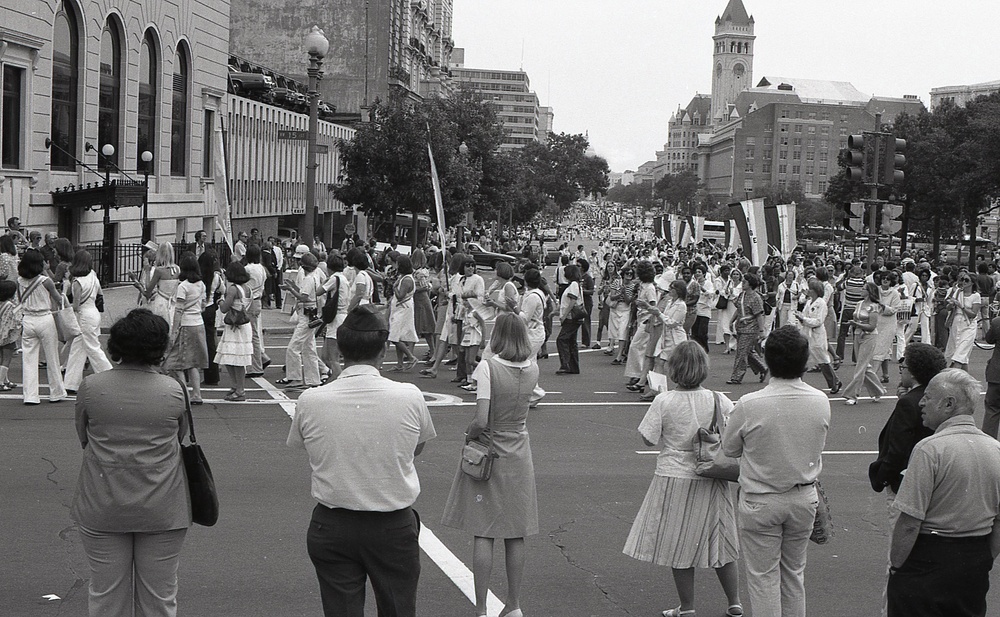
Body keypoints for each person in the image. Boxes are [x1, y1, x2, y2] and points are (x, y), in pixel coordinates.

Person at [287, 305, 436, 617]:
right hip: (392, 524)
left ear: (341, 350)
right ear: (383, 351)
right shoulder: (409, 395)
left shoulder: (311, 400)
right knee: (398, 608)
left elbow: (305, 447)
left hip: (333, 522)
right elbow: (416, 449)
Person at [70, 308, 191, 617]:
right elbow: (179, 440)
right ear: (159, 349)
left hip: (102, 503)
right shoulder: (174, 391)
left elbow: (84, 438)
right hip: (163, 506)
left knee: (106, 596)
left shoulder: (91, 387)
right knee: (160, 599)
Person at [623, 341, 743, 617]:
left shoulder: (664, 400)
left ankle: (687, 607)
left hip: (674, 474)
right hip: (713, 473)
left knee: (680, 543)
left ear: (673, 369)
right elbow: (736, 431)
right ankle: (734, 601)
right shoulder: (717, 398)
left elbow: (648, 438)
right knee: (721, 541)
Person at [722, 325, 829, 617]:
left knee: (763, 578)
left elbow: (729, 449)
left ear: (767, 360)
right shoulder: (820, 400)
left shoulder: (750, 404)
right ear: (805, 361)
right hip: (803, 496)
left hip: (761, 498)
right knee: (793, 575)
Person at [441, 314, 540, 617]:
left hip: (491, 450)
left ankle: (482, 608)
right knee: (515, 531)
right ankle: (513, 604)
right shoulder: (533, 368)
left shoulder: (489, 367)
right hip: (519, 450)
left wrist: (468, 434)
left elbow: (481, 418)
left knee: (483, 530)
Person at [887, 369, 1000, 617]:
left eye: (928, 396)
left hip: (928, 557)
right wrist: (982, 559)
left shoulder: (930, 450)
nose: (921, 402)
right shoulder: (996, 449)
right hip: (974, 559)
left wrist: (896, 568)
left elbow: (909, 523)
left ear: (949, 404)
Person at [17, 249, 67, 404]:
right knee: (52, 357)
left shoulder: (19, 281)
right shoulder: (45, 281)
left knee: (29, 359)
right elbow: (59, 300)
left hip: (28, 319)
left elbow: (19, 300)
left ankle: (30, 395)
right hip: (45, 318)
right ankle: (56, 392)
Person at [63, 250, 113, 393]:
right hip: (94, 313)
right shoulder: (93, 276)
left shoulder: (78, 282)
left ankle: (108, 375)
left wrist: (65, 293)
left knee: (92, 347)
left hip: (84, 315)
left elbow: (76, 306)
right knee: (78, 349)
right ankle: (71, 383)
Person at [162, 254, 209, 405]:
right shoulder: (201, 284)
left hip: (186, 325)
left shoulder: (183, 287)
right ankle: (197, 394)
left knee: (177, 363)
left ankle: (184, 395)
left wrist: (173, 331)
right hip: (198, 324)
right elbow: (203, 305)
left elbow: (179, 310)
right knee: (193, 362)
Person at [279, 251, 324, 389]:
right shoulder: (313, 278)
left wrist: (290, 290)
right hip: (311, 312)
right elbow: (306, 293)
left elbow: (303, 297)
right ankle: (313, 379)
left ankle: (295, 377)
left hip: (306, 314)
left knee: (293, 348)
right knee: (309, 348)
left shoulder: (309, 279)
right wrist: (293, 287)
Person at [842, 282, 888, 405]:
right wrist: (854, 325)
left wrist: (856, 324)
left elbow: (872, 326)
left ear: (869, 292)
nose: (861, 291)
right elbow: (856, 318)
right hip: (857, 334)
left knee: (861, 366)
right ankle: (878, 390)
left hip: (869, 336)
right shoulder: (859, 304)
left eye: (864, 289)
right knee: (864, 366)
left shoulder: (873, 307)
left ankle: (852, 394)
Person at [215, 261, 253, 401]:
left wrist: (219, 301)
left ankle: (239, 389)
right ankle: (237, 386)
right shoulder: (248, 288)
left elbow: (224, 308)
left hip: (234, 325)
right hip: (243, 326)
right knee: (234, 358)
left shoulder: (233, 289)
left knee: (232, 358)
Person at [794, 279, 840, 394]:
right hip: (806, 334)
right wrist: (800, 318)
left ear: (815, 291)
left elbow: (818, 321)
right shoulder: (809, 302)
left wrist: (804, 319)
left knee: (822, 360)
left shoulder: (821, 303)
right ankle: (796, 383)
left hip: (817, 335)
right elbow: (804, 315)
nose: (808, 291)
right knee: (802, 359)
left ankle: (835, 382)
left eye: (810, 289)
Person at [727, 273, 766, 385]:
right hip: (740, 327)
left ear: (751, 284)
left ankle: (736, 377)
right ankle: (762, 368)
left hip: (750, 328)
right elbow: (738, 309)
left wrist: (761, 330)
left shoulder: (756, 297)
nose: (742, 283)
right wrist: (731, 321)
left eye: (745, 282)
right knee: (747, 351)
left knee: (741, 353)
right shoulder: (741, 295)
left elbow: (759, 315)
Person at [318, 253, 350, 381]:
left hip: (336, 318)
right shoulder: (344, 278)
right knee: (325, 356)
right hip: (341, 316)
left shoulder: (334, 278)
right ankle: (334, 377)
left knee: (332, 357)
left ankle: (341, 378)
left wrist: (326, 279)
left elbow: (319, 291)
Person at [388, 254, 420, 371]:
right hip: (400, 308)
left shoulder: (406, 279)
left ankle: (411, 357)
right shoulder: (403, 277)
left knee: (394, 336)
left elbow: (400, 296)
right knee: (398, 335)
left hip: (403, 309)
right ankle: (400, 363)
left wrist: (394, 287)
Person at [244, 244, 272, 377]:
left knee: (251, 335)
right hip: (258, 300)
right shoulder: (261, 268)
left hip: (249, 302)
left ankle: (256, 366)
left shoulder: (248, 269)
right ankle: (261, 358)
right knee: (254, 333)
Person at [198, 250, 225, 386]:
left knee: (194, 341)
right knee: (210, 342)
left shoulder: (197, 276)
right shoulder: (216, 277)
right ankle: (212, 376)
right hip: (210, 310)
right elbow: (223, 290)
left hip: (198, 310)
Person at [944, 272, 981, 371]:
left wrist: (961, 306)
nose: (964, 282)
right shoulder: (958, 292)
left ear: (972, 283)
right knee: (959, 354)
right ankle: (965, 380)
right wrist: (951, 304)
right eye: (963, 279)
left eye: (967, 280)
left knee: (960, 354)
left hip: (968, 325)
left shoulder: (976, 296)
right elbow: (948, 308)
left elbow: (973, 314)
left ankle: (952, 378)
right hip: (956, 323)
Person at [145, 242, 181, 330]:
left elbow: (148, 289)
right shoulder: (177, 269)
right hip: (173, 301)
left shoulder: (159, 271)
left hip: (161, 301)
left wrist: (147, 272)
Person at [556, 263, 583, 375]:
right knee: (572, 341)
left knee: (561, 339)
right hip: (575, 317)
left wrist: (564, 315)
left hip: (571, 317)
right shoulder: (576, 284)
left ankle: (565, 364)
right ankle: (573, 366)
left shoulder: (573, 285)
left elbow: (572, 301)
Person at [0, 280, 19, 390]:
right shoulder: (11, 306)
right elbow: (17, 319)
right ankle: (1, 382)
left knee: (1, 358)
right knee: (6, 359)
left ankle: (5, 380)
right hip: (7, 336)